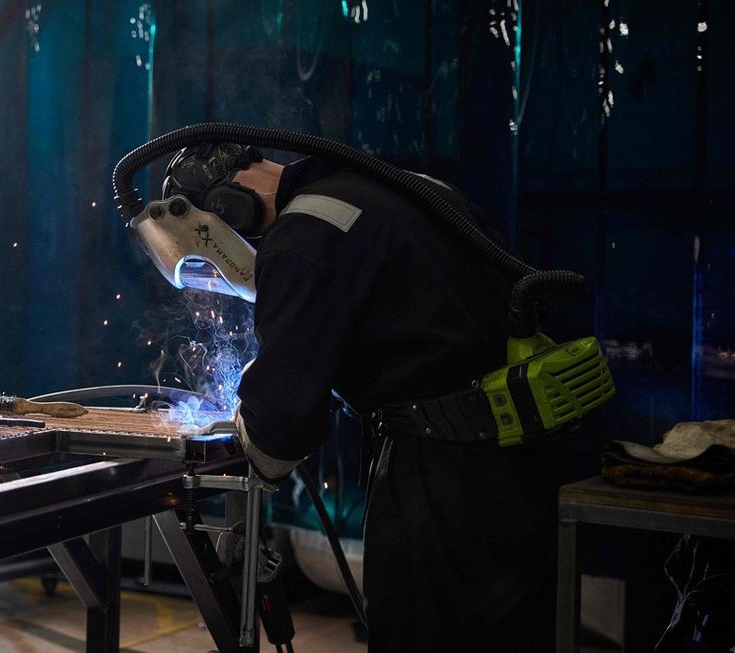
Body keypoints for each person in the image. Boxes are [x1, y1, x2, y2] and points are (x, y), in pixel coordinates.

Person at [162, 143, 568, 652]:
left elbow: (279, 433)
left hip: (441, 477)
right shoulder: (397, 184)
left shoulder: (301, 233)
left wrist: (253, 411)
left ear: (227, 207)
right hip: (524, 465)